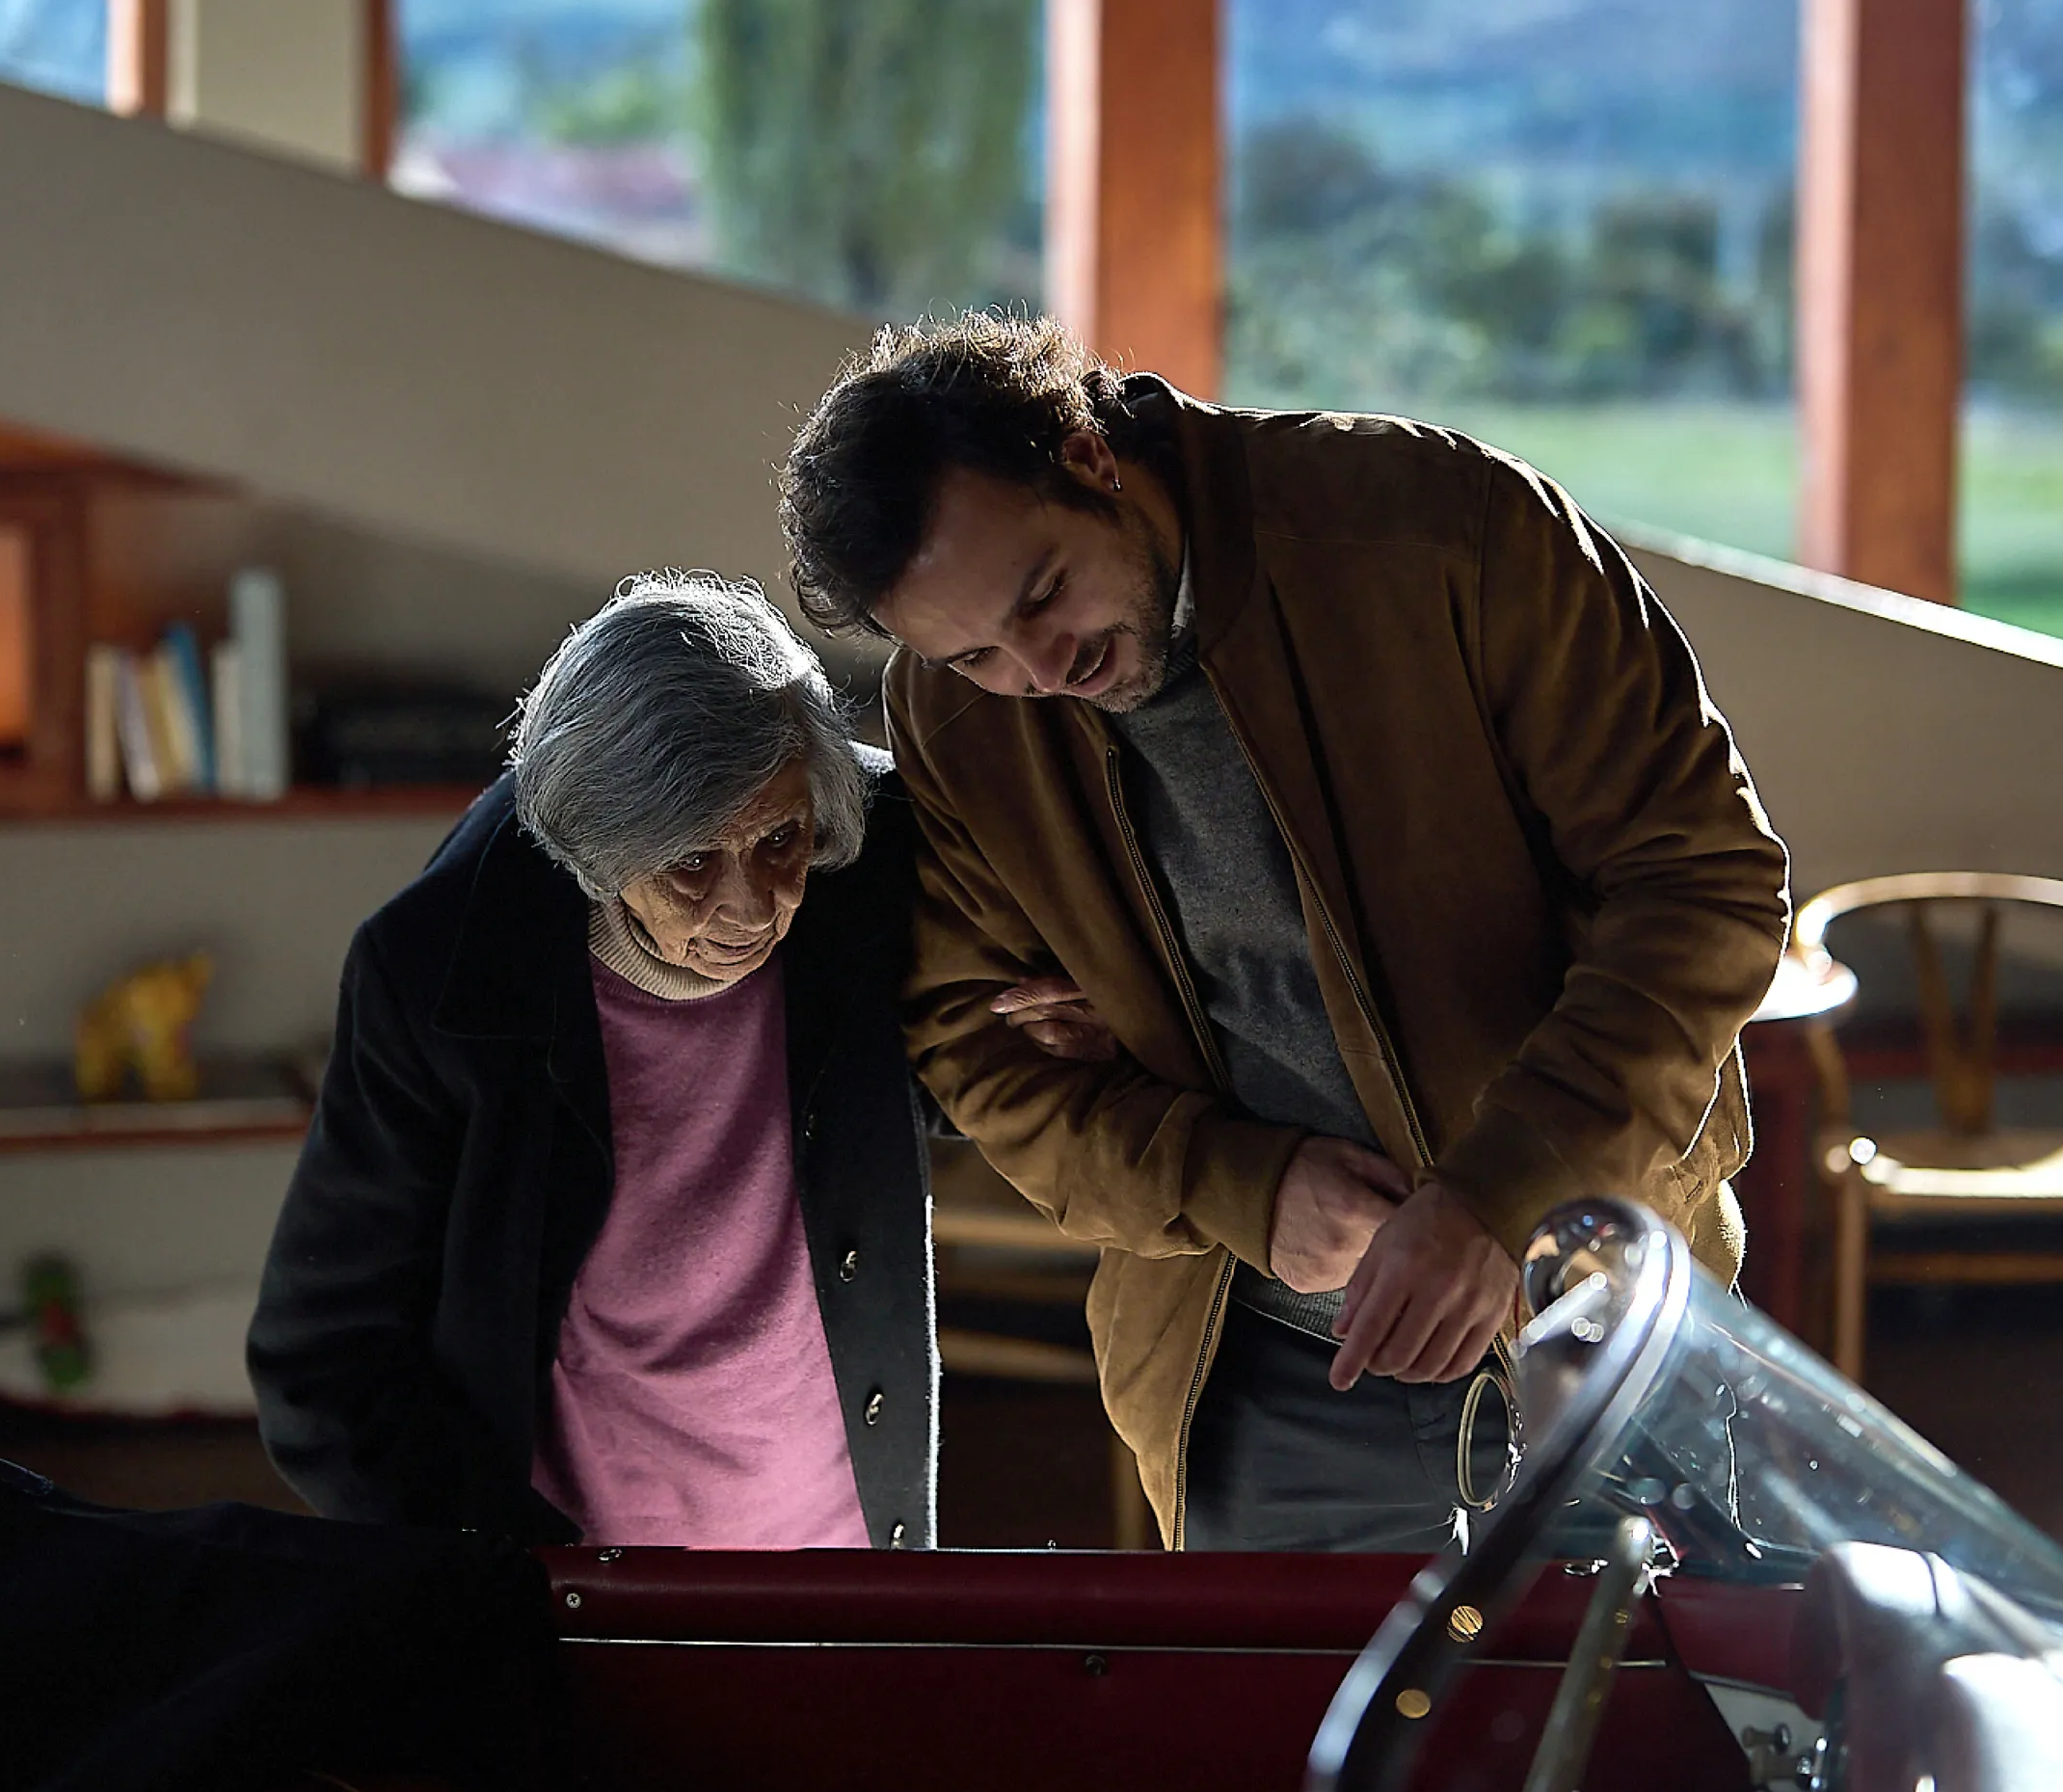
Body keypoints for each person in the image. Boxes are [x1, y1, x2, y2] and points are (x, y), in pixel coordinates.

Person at [778, 313, 1790, 1552]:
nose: (1040, 670)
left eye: (1043, 593)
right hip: (1254, 1390)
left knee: (1638, 1737)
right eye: (977, 651)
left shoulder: (1441, 531)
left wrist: (1497, 1194)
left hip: (1596, 1325)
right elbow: (975, 1051)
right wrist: (1241, 1187)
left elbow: (1704, 882)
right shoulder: (954, 718)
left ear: (1091, 456)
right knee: (1277, 1744)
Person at [249, 574, 1092, 1550]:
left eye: (779, 840)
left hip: (848, 1529)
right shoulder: (439, 973)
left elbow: (908, 1090)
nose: (751, 906)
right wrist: (504, 1563)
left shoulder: (861, 851)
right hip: (587, 1565)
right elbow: (320, 1362)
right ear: (596, 855)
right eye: (691, 863)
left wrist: (1026, 1025)